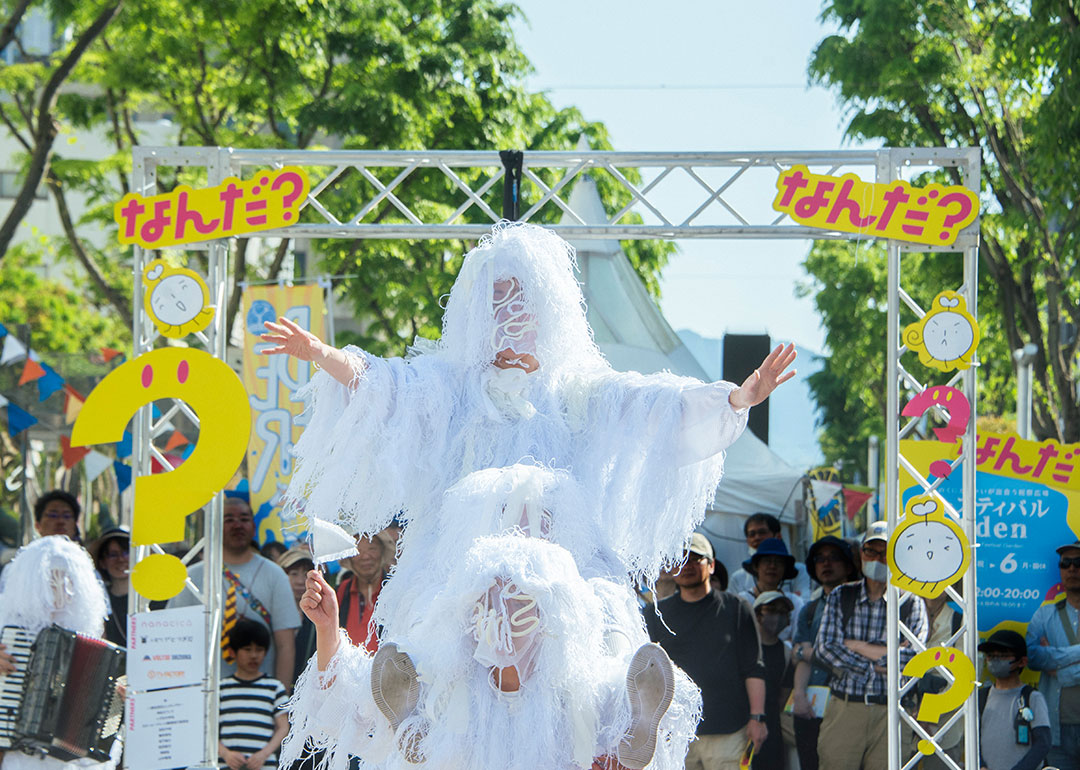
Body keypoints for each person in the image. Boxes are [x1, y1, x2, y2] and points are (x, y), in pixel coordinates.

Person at [265, 223, 795, 770]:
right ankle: (419, 718)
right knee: (434, 627)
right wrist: (325, 354)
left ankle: (623, 710)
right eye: (497, 298)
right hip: (461, 557)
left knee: (598, 624)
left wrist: (733, 400)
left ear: (547, 306)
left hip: (564, 555)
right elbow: (388, 387)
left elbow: (651, 407)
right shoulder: (450, 386)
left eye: (520, 296)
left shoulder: (578, 389)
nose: (509, 311)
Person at [645, 532, 767, 770]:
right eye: (681, 560)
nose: (687, 566)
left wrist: (757, 718)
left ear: (711, 565)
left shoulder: (737, 608)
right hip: (675, 733)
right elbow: (646, 673)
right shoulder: (655, 614)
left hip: (729, 731)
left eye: (695, 559)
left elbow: (754, 667)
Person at [814, 521, 928, 770]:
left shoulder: (911, 602)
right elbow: (825, 648)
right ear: (861, 555)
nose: (877, 559)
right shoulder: (841, 595)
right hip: (846, 708)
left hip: (892, 711)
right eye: (870, 551)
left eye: (885, 553)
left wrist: (856, 647)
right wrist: (880, 664)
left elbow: (915, 659)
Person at [0, 536, 117, 770]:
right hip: (19, 756)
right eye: (50, 579)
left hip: (73, 761)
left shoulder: (87, 629)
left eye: (68, 580)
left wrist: (115, 702)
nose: (60, 588)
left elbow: (108, 704)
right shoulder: (6, 623)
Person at [170, 496, 301, 688]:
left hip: (259, 696)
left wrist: (280, 698)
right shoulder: (191, 577)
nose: (237, 525)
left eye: (244, 519)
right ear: (215, 526)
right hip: (203, 694)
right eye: (229, 519)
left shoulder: (275, 575)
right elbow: (175, 641)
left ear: (253, 527)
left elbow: (285, 645)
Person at [790, 535, 857, 770]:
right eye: (819, 559)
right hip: (812, 705)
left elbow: (851, 657)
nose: (826, 563)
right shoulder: (809, 610)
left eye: (834, 557)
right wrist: (799, 695)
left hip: (850, 706)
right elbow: (798, 656)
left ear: (848, 566)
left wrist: (808, 653)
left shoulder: (863, 606)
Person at [1025, 540, 1080, 770]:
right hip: (1057, 731)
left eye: (1078, 562)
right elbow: (1033, 657)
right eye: (1065, 563)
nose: (1071, 568)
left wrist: (1059, 669)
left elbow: (1045, 658)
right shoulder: (1044, 614)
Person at [218, 619, 290, 770]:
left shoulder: (274, 687)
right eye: (247, 649)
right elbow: (207, 729)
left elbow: (284, 727)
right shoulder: (221, 688)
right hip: (227, 765)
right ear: (232, 652)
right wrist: (226, 754)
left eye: (259, 650)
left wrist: (263, 755)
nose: (254, 655)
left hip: (263, 765)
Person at [976, 629, 1051, 770]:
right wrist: (981, 765)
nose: (995, 660)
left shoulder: (1032, 697)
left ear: (1022, 662)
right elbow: (973, 739)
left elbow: (1043, 743)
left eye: (1003, 656)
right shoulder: (981, 697)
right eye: (990, 656)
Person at [752, 591, 794, 770]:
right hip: (745, 725)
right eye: (771, 610)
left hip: (773, 728)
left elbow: (784, 694)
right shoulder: (746, 648)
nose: (777, 616)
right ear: (758, 615)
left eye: (782, 612)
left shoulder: (786, 652)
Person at [737, 538, 804, 642]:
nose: (772, 566)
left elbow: (798, 641)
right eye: (767, 561)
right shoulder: (742, 601)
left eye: (778, 562)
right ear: (756, 566)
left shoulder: (795, 602)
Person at [729, 514, 810, 600]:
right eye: (752, 534)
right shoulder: (738, 578)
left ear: (778, 536)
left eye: (762, 532)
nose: (757, 537)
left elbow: (804, 602)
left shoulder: (800, 570)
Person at [336, 535, 388, 652]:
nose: (365, 557)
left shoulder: (394, 590)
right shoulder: (341, 591)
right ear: (349, 558)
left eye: (372, 549)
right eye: (358, 551)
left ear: (382, 552)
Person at [278, 544, 317, 684]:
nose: (300, 581)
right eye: (294, 574)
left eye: (306, 575)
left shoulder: (318, 615)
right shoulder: (272, 612)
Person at [91, 526, 131, 647]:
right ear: (102, 563)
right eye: (113, 555)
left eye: (126, 552)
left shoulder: (151, 598)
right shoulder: (98, 601)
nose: (121, 559)